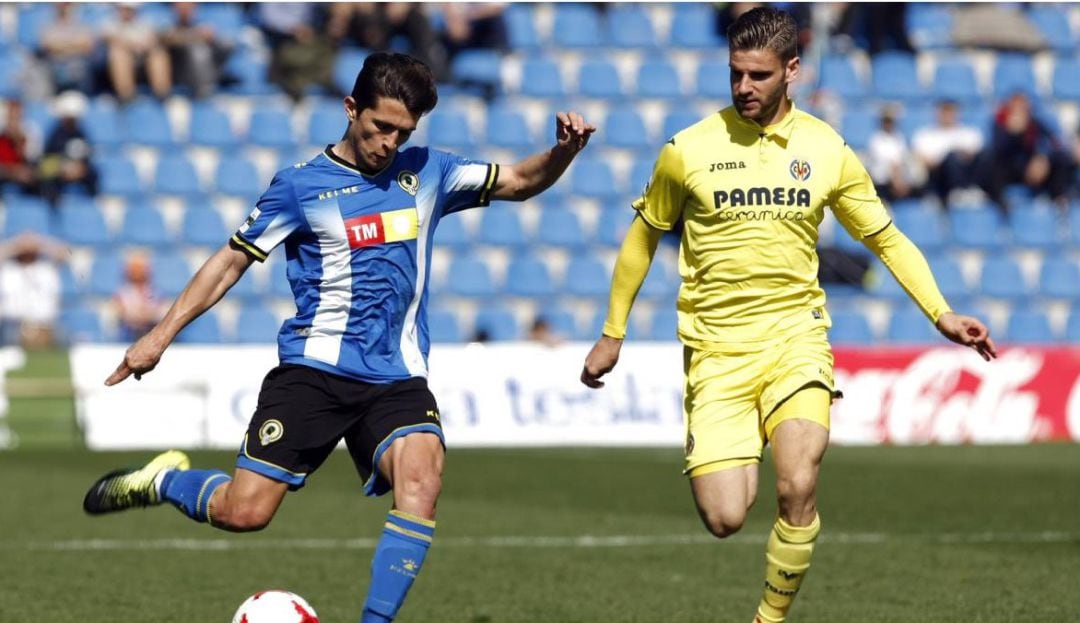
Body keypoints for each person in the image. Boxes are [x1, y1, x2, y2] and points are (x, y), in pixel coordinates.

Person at [82, 52, 594, 623]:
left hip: (397, 376)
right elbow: (230, 261)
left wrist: (563, 154)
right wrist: (160, 334)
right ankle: (166, 481)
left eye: (405, 132)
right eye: (381, 128)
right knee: (244, 513)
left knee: (422, 480)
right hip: (314, 372)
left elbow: (521, 181)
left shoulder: (430, 172)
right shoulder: (301, 188)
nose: (391, 143)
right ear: (352, 110)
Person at [580, 8, 996, 623]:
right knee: (725, 517)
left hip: (795, 340)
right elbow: (642, 238)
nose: (743, 87)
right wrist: (613, 333)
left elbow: (884, 238)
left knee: (798, 481)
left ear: (791, 70)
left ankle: (768, 620)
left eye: (758, 74)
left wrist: (941, 313)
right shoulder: (687, 150)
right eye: (735, 74)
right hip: (717, 352)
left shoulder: (826, 149)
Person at [912, 100, 985, 205]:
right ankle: (955, 191)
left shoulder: (969, 133)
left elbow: (975, 155)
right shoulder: (925, 135)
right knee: (951, 158)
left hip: (967, 172)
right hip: (939, 178)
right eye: (944, 111)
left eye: (950, 111)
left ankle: (973, 190)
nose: (947, 115)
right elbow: (923, 159)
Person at [0, 233, 66, 349]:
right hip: (13, 325)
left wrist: (39, 243)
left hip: (45, 325)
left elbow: (64, 254)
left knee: (66, 338)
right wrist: (17, 244)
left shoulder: (46, 268)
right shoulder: (9, 269)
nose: (28, 255)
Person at [102, 3, 172, 102]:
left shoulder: (145, 22)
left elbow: (154, 39)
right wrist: (131, 45)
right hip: (115, 65)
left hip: (143, 60)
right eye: (124, 9)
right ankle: (126, 95)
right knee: (119, 54)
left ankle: (163, 94)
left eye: (129, 9)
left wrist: (146, 45)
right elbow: (108, 38)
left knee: (158, 53)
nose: (126, 12)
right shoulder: (111, 22)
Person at [865, 106, 923, 202]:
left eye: (891, 121)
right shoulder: (876, 139)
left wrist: (902, 181)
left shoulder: (899, 138)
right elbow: (885, 164)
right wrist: (896, 180)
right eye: (886, 121)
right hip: (883, 184)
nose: (888, 124)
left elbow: (903, 160)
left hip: (901, 181)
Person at [113, 251, 165, 341]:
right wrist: (145, 314)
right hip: (128, 338)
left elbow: (162, 313)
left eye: (140, 268)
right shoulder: (122, 293)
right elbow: (123, 314)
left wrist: (144, 314)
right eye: (134, 268)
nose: (137, 271)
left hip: (151, 337)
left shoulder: (156, 292)